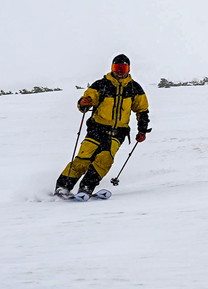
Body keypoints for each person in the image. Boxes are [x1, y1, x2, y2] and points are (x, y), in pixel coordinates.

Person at [54, 54, 151, 197]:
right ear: (111, 68)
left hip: (118, 132)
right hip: (96, 129)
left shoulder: (134, 89)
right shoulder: (100, 85)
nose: (119, 71)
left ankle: (86, 188)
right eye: (116, 67)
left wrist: (142, 130)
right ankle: (63, 187)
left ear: (128, 69)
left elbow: (142, 110)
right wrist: (84, 103)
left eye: (122, 68)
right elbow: (87, 99)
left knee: (104, 160)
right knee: (83, 159)